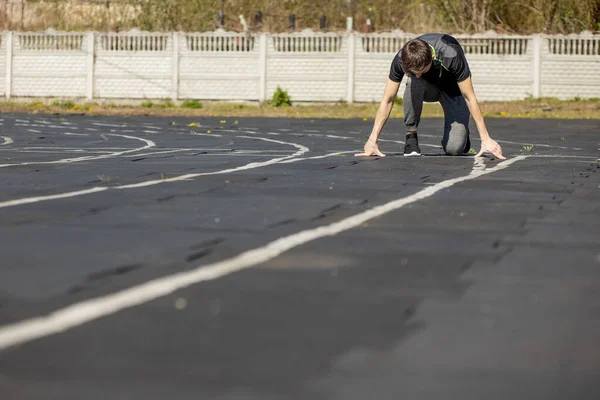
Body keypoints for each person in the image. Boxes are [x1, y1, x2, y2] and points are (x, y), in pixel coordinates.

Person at [356, 33, 505, 159]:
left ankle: (463, 136)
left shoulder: (451, 54)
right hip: (427, 89)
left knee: (454, 149)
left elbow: (469, 96)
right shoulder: (401, 58)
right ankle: (411, 136)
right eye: (414, 71)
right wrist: (372, 140)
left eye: (422, 70)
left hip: (452, 91)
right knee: (414, 82)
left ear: (432, 57)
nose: (418, 73)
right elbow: (388, 100)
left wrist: (485, 138)